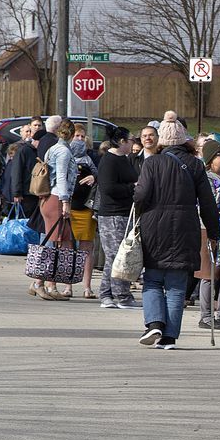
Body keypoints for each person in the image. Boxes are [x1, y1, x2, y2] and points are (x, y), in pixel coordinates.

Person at [134, 114, 220, 349]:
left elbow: (140, 195)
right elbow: (208, 203)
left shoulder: (152, 162)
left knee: (152, 278)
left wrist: (140, 210)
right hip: (186, 225)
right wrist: (214, 233)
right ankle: (170, 337)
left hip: (154, 224)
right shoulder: (195, 164)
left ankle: (154, 324)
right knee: (176, 283)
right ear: (185, 139)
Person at [31, 119, 78, 301]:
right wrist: (66, 201)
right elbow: (61, 177)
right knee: (53, 243)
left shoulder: (53, 149)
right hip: (57, 198)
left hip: (48, 197)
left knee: (54, 241)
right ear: (72, 135)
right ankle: (42, 283)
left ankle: (46, 283)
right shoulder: (64, 152)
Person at [95, 125, 140, 309]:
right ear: (122, 142)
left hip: (125, 213)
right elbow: (108, 189)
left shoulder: (125, 159)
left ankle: (107, 293)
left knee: (118, 255)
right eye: (130, 140)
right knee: (116, 256)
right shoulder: (109, 161)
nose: (132, 144)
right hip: (111, 215)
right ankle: (120, 294)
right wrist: (132, 187)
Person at [61, 137, 98, 298]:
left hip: (86, 209)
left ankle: (87, 287)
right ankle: (67, 286)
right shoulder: (65, 160)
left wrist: (94, 177)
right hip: (68, 208)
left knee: (86, 250)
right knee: (68, 249)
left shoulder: (91, 161)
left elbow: (100, 176)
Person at [198, 139, 220, 330]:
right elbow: (207, 204)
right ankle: (206, 315)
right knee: (208, 274)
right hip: (207, 228)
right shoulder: (206, 179)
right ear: (210, 159)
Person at [11, 117, 44, 220]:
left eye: (39, 125)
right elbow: (16, 171)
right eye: (35, 125)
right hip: (26, 193)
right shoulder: (23, 150)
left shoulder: (44, 149)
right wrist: (17, 193)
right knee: (25, 221)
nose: (37, 128)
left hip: (40, 193)